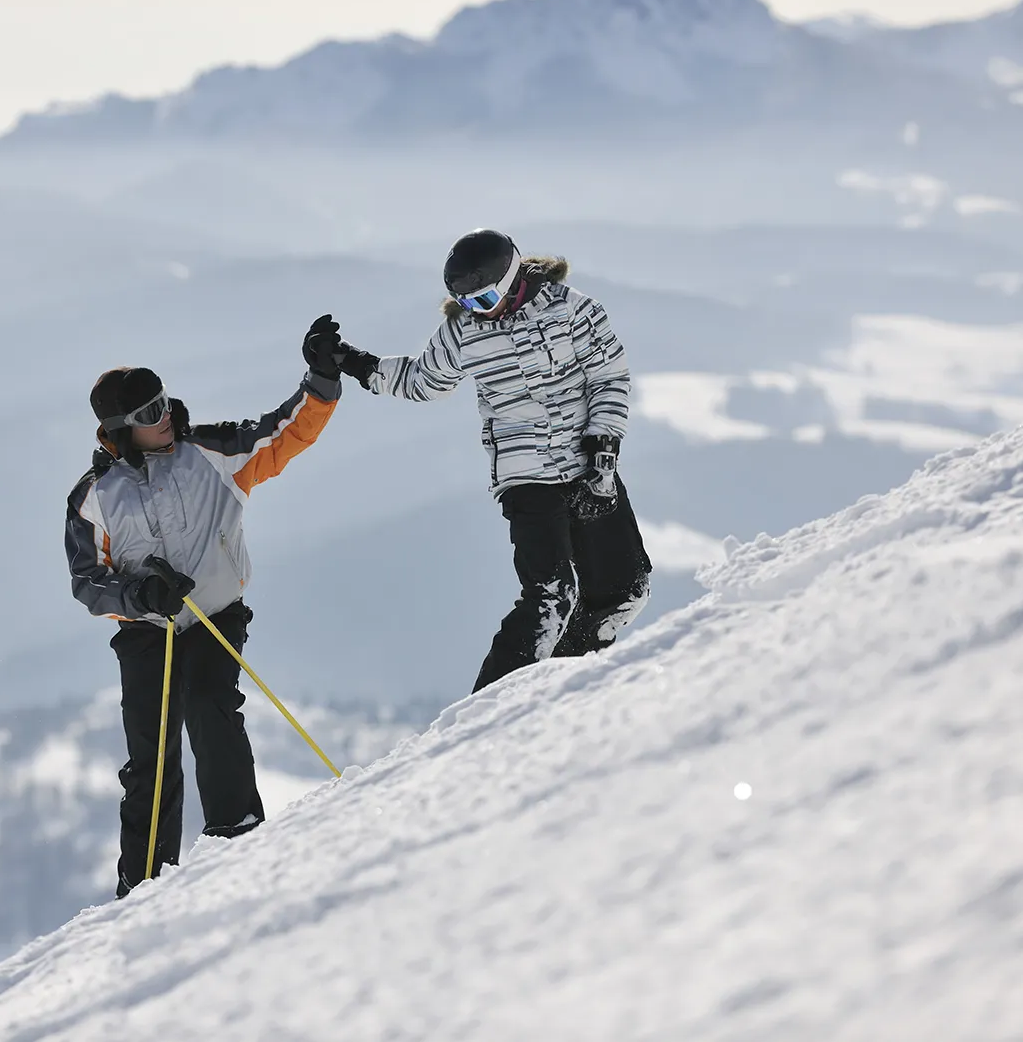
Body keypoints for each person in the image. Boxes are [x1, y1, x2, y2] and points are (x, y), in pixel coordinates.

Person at [65, 319, 344, 898]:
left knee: (211, 705)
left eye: (163, 402)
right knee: (151, 753)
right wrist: (138, 596)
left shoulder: (213, 453)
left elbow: (282, 435)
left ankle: (236, 833)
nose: (162, 416)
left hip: (215, 616)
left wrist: (320, 380)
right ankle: (143, 882)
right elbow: (88, 581)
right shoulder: (93, 499)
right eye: (146, 414)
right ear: (118, 431)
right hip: (146, 632)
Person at [314, 228, 653, 694]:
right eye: (466, 301)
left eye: (486, 297)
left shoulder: (570, 309)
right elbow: (423, 380)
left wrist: (602, 454)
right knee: (551, 595)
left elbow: (610, 378)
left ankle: (566, 682)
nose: (479, 310)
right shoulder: (463, 331)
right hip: (524, 473)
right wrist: (352, 361)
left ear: (513, 277)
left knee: (627, 591)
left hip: (586, 461)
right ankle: (490, 708)